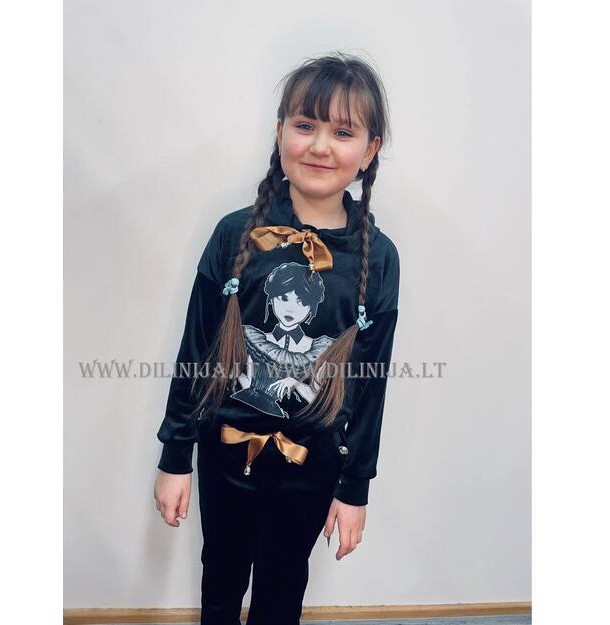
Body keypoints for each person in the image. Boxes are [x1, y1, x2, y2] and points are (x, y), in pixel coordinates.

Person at [153, 52, 401, 625]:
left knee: (282, 591)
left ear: (369, 151)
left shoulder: (379, 259)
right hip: (224, 454)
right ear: (280, 130)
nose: (321, 146)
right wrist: (175, 456)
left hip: (312, 465)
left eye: (343, 133)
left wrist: (355, 487)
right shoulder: (234, 234)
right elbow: (196, 353)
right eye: (305, 125)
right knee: (219, 580)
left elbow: (370, 383)